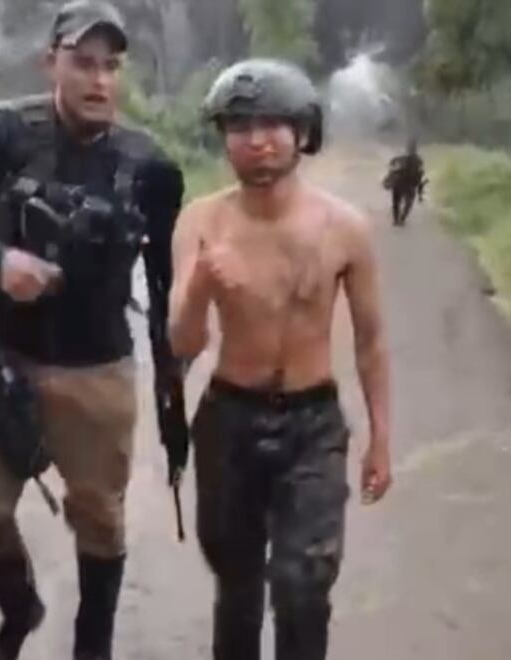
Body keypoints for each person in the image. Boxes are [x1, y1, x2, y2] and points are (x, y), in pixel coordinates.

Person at [0, 2, 185, 658]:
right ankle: (20, 608)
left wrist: (171, 398)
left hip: (99, 371)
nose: (99, 80)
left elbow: (165, 287)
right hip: (7, 362)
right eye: (83, 63)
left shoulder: (149, 164)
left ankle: (93, 648)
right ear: (50, 63)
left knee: (100, 522)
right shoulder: (4, 130)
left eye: (110, 66)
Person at [168, 59, 392, 660]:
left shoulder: (345, 228)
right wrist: (202, 285)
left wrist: (379, 438)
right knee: (237, 584)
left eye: (272, 124)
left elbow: (370, 341)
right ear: (223, 137)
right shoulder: (202, 222)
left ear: (302, 132)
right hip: (229, 419)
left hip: (312, 424)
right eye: (240, 126)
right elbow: (182, 343)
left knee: (303, 584)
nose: (257, 140)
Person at [383, 138, 427, 227]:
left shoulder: (400, 158)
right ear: (416, 149)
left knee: (396, 202)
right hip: (410, 184)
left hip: (399, 183)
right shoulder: (419, 160)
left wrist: (388, 179)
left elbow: (392, 168)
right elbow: (421, 173)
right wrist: (419, 186)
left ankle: (396, 220)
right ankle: (402, 219)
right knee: (408, 203)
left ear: (407, 148)